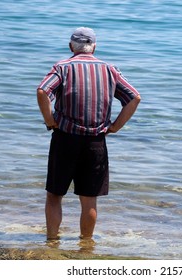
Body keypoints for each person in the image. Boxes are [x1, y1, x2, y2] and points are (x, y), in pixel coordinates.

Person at [37, 27, 141, 241]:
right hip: (96, 142)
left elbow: (42, 91)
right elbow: (134, 97)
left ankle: (52, 241)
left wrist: (50, 120)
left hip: (65, 138)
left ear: (70, 46)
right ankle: (85, 244)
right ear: (94, 47)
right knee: (89, 199)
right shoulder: (109, 69)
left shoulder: (62, 67)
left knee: (55, 195)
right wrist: (115, 126)